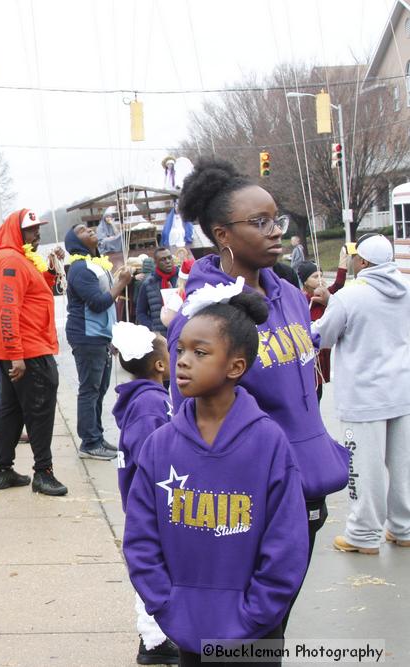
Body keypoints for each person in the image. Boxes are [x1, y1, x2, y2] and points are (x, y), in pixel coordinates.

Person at [167, 158, 349, 627]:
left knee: (273, 632)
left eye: (277, 220)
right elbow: (192, 425)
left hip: (310, 489)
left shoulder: (288, 292)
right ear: (222, 234)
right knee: (242, 637)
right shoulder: (206, 316)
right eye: (260, 222)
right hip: (251, 505)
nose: (276, 232)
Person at [124, 292, 308, 667]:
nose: (183, 362)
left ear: (235, 366)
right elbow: (141, 536)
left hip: (256, 632)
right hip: (185, 624)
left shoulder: (268, 442)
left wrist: (256, 612)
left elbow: (286, 542)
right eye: (180, 351)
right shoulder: (160, 445)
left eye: (200, 353)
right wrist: (165, 604)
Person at [311, 234, 410, 555]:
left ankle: (364, 534)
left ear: (363, 262)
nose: (352, 260)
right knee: (404, 466)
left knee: (363, 469)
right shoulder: (407, 288)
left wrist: (325, 306)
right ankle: (404, 527)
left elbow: (323, 337)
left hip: (363, 397)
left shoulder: (351, 296)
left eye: (355, 257)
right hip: (403, 390)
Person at [110, 323, 178, 666]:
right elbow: (150, 456)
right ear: (160, 365)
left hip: (150, 501)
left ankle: (158, 636)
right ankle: (154, 640)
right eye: (171, 352)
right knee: (154, 569)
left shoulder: (149, 399)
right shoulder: (151, 404)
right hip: (151, 503)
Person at [0, 209, 68, 496]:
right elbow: (7, 310)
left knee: (11, 411)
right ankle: (43, 473)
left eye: (38, 228)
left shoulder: (17, 259)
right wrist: (16, 355)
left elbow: (32, 294)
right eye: (32, 229)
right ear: (17, 232)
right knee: (40, 410)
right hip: (28, 350)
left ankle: (3, 470)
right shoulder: (11, 259)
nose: (38, 234)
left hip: (20, 348)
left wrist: (49, 270)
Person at [64, 224, 133, 460]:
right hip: (87, 335)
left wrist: (112, 335)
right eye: (82, 230)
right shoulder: (80, 268)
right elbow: (98, 302)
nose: (90, 229)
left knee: (100, 388)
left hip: (100, 335)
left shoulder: (96, 265)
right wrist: (121, 283)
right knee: (90, 389)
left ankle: (97, 436)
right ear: (75, 242)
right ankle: (89, 443)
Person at [294, 248, 349, 402]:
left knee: (318, 391)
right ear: (305, 281)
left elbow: (338, 283)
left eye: (321, 275)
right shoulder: (300, 299)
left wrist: (343, 259)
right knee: (309, 392)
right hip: (306, 354)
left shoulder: (325, 296)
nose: (320, 279)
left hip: (321, 353)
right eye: (314, 276)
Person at [136, 247, 178, 335]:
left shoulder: (181, 279)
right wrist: (153, 328)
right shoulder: (148, 284)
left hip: (182, 333)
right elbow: (140, 312)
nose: (167, 261)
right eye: (163, 259)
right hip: (161, 336)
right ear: (156, 263)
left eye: (169, 258)